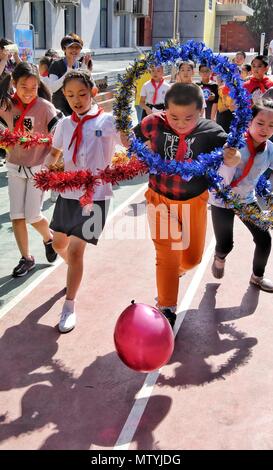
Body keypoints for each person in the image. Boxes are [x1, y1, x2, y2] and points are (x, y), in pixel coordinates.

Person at [133, 83, 241, 327]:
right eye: (174, 116)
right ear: (165, 109)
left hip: (194, 202)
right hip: (159, 199)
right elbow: (129, 139)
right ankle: (167, 307)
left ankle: (175, 272)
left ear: (201, 111)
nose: (180, 123)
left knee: (191, 259)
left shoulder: (211, 131)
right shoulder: (153, 123)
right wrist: (126, 144)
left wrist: (234, 158)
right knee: (167, 254)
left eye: (188, 118)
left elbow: (234, 154)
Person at [44, 71, 123, 333]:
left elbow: (127, 144)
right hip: (67, 194)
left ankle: (69, 305)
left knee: (77, 252)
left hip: (97, 196)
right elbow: (55, 151)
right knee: (58, 244)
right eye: (69, 95)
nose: (76, 100)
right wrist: (48, 168)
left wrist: (128, 126)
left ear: (93, 92)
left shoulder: (110, 121)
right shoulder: (64, 124)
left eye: (81, 94)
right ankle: (73, 271)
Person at [0, 62, 62, 277]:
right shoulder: (5, 105)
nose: (28, 93)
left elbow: (59, 134)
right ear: (14, 84)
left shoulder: (45, 107)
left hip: (39, 168)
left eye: (33, 87)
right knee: (17, 216)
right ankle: (26, 258)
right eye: (23, 87)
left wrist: (54, 160)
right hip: (14, 166)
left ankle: (49, 238)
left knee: (33, 215)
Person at [210, 98, 273, 292]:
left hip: (247, 200)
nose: (265, 129)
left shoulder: (270, 148)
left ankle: (257, 277)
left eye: (271, 126)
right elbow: (218, 173)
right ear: (249, 122)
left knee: (264, 239)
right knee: (226, 245)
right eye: (260, 123)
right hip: (223, 201)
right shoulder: (233, 144)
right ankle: (219, 257)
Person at [47, 34, 90, 115]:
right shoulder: (56, 64)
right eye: (71, 47)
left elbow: (91, 89)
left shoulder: (82, 65)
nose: (74, 50)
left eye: (77, 47)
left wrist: (86, 72)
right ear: (64, 49)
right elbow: (53, 88)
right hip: (61, 109)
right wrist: (68, 72)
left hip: (78, 108)